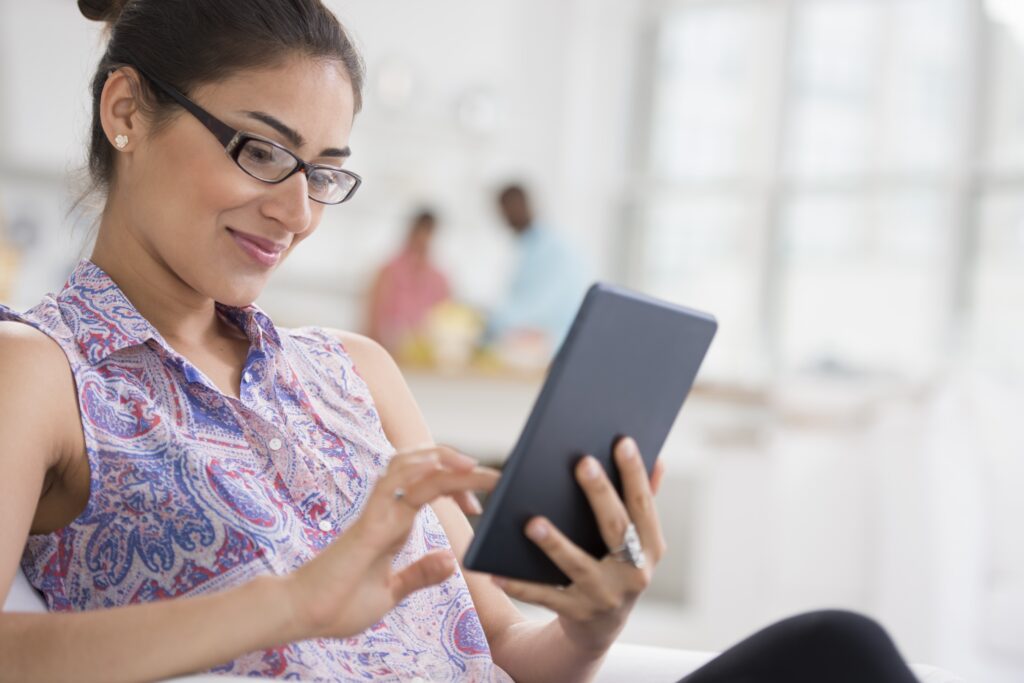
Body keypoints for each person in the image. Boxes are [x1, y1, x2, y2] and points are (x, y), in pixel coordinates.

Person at [0, 2, 921, 682]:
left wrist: (593, 623)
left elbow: (514, 648)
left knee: (842, 651)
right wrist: (287, 604)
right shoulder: (40, 372)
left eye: (324, 173)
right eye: (260, 151)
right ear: (125, 111)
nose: (297, 213)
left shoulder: (354, 371)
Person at [487, 183, 587, 353]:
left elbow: (540, 306)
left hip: (553, 347)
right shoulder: (530, 247)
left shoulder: (552, 248)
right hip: (536, 344)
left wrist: (493, 321)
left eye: (504, 211)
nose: (504, 219)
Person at [365, 209, 451, 355]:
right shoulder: (388, 272)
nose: (423, 238)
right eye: (420, 232)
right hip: (387, 352)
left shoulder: (439, 278)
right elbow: (373, 320)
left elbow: (445, 321)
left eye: (428, 233)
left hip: (423, 357)